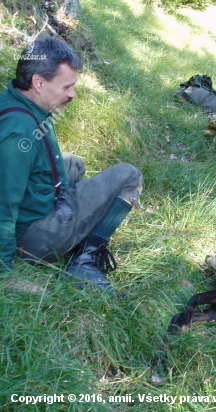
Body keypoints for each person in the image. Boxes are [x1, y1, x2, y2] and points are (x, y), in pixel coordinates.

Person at [0, 35, 143, 292]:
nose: (72, 93)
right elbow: (3, 206)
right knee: (129, 175)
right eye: (66, 86)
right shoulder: (18, 133)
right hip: (34, 239)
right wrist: (4, 272)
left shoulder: (16, 100)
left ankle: (77, 222)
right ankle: (84, 260)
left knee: (74, 164)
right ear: (38, 82)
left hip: (30, 210)